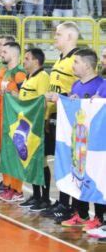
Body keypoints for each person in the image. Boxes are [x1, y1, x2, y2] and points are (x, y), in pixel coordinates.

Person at [57, 49, 104, 230]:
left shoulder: (100, 84)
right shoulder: (76, 84)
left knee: (96, 177)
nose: (73, 65)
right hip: (78, 140)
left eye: (76, 62)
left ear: (86, 64)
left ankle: (99, 216)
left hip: (96, 143)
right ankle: (81, 213)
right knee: (78, 175)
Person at [43, 21, 80, 223]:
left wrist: (62, 97)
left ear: (69, 37)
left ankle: (71, 206)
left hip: (71, 119)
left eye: (58, 34)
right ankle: (62, 201)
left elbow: (82, 89)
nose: (54, 37)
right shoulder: (59, 59)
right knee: (60, 161)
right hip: (57, 115)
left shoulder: (77, 59)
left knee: (69, 160)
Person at [17, 48, 51, 211]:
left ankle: (45, 198)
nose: (24, 61)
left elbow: (43, 101)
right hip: (26, 126)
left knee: (41, 162)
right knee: (31, 161)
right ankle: (36, 195)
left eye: (27, 58)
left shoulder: (43, 77)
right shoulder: (27, 77)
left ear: (36, 61)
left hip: (37, 125)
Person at [0, 42, 27, 202]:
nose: (1, 53)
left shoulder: (19, 73)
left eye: (5, 51)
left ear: (14, 54)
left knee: (15, 155)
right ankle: (7, 187)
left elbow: (25, 97)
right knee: (6, 155)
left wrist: (12, 94)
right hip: (4, 117)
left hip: (15, 120)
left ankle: (17, 190)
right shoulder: (7, 72)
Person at [0, 34, 15, 192]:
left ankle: (10, 182)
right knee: (0, 148)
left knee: (7, 149)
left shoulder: (11, 69)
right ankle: (5, 180)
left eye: (1, 44)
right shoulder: (0, 66)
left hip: (5, 112)